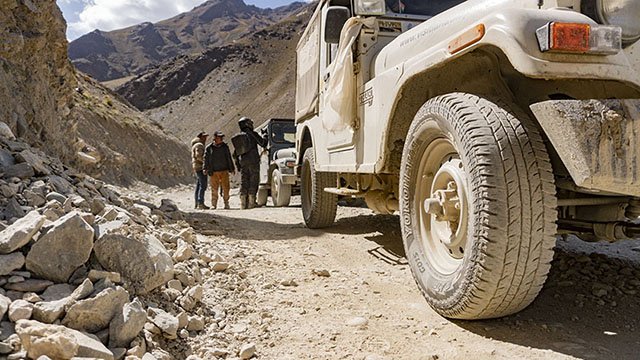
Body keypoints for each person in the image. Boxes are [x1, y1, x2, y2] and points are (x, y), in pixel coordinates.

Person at [232, 117, 267, 209]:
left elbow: (235, 154)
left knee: (244, 181)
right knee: (253, 181)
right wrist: (265, 135)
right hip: (253, 161)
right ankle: (251, 202)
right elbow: (263, 143)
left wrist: (238, 165)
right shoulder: (253, 134)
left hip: (243, 163)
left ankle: (243, 204)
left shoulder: (239, 137)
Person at [204, 131, 235, 209]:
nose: (220, 139)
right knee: (214, 189)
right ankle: (214, 204)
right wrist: (205, 168)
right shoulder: (209, 148)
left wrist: (232, 168)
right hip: (214, 171)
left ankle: (226, 203)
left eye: (221, 138)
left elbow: (229, 158)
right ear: (215, 138)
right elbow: (206, 159)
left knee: (226, 188)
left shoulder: (225, 147)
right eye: (219, 137)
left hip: (224, 171)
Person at [191, 131, 210, 209]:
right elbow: (198, 156)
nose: (205, 138)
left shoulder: (197, 144)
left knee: (199, 185)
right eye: (204, 137)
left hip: (198, 167)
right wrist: (206, 164)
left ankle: (197, 203)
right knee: (203, 185)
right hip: (200, 167)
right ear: (201, 137)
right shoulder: (199, 145)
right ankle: (200, 203)